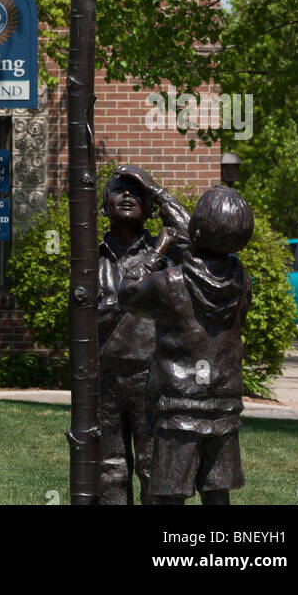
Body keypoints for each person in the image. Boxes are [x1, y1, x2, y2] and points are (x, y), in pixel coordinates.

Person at [118, 185, 254, 506]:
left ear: (197, 230)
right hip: (224, 402)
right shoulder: (241, 280)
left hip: (178, 406)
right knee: (216, 492)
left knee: (171, 494)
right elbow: (202, 243)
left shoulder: (170, 282)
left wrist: (158, 249)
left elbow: (128, 293)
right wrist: (159, 193)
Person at [97, 164, 190, 505]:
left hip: (154, 377)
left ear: (150, 208)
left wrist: (157, 190)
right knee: (109, 470)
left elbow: (200, 240)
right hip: (104, 381)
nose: (127, 195)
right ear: (104, 206)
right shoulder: (91, 260)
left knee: (155, 469)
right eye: (118, 189)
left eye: (137, 192)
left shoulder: (168, 255)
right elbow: (92, 317)